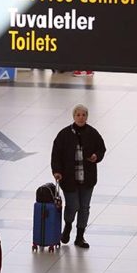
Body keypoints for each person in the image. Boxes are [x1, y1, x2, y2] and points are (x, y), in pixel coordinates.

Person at [51, 104, 106, 249]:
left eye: (84, 115)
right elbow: (56, 153)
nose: (81, 117)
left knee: (84, 207)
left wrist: (96, 156)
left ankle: (80, 236)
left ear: (87, 117)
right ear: (73, 116)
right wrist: (57, 171)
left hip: (87, 179)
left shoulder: (93, 133)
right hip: (69, 178)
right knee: (73, 205)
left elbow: (101, 148)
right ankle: (68, 225)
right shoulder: (64, 134)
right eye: (78, 115)